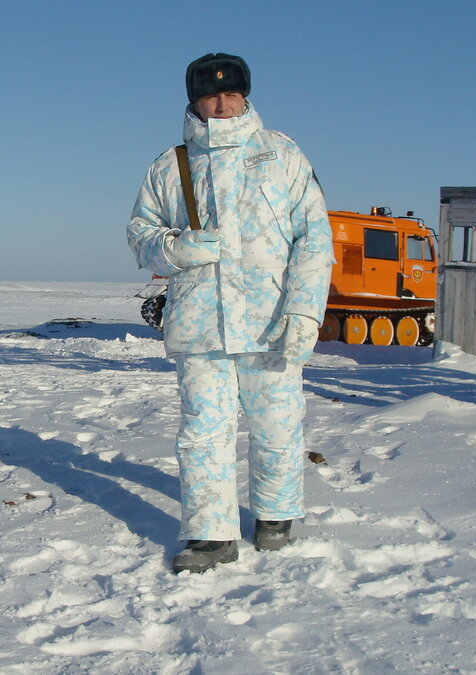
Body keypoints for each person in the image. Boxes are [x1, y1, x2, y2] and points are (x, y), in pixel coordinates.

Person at [127, 53, 334, 573]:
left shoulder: (282, 154)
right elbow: (141, 238)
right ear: (194, 101)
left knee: (278, 425)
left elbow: (313, 239)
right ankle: (210, 534)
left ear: (246, 97)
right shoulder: (168, 167)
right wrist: (178, 248)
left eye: (230, 95)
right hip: (201, 324)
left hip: (271, 320)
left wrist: (306, 313)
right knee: (203, 431)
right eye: (210, 97)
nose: (221, 106)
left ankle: (276, 514)